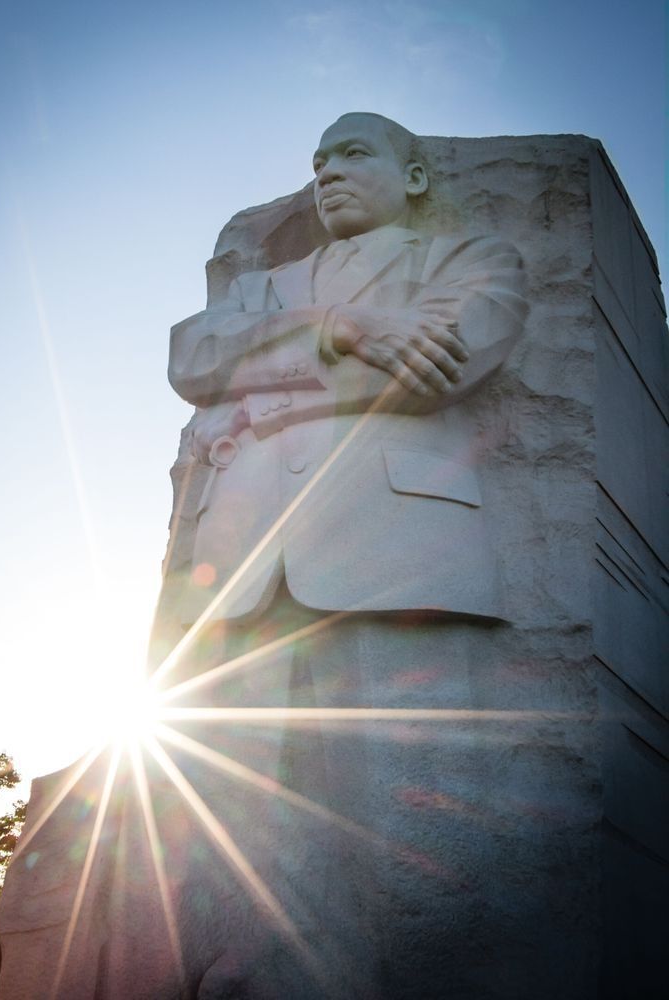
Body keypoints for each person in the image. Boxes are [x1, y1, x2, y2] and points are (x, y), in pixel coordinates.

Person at [165, 112, 528, 998]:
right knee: (237, 835)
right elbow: (191, 354)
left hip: (396, 553)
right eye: (318, 160)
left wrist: (266, 390)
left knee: (413, 830)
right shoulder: (275, 283)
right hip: (240, 570)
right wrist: (342, 327)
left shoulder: (471, 259)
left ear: (412, 177)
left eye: (353, 152)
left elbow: (445, 367)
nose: (327, 171)